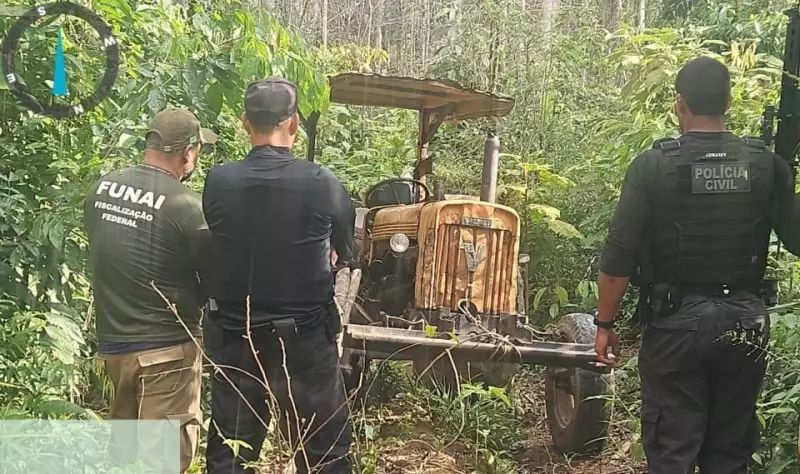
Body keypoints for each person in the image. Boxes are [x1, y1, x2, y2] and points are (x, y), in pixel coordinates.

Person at [593, 56, 798, 473]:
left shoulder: (653, 166)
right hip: (745, 321)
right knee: (729, 453)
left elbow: (619, 254)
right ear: (729, 101)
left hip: (675, 326)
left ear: (679, 104)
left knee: (673, 452)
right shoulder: (766, 166)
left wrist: (605, 324)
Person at [202, 77, 356, 474]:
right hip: (304, 341)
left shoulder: (218, 180)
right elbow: (346, 252)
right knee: (325, 453)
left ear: (244, 122)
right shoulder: (322, 182)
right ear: (294, 124)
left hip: (236, 336)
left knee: (230, 453)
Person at [84, 106, 217, 472]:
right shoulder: (188, 206)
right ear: (187, 152)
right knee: (164, 462)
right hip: (166, 354)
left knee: (125, 460)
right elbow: (214, 279)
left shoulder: (102, 189)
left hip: (114, 350)